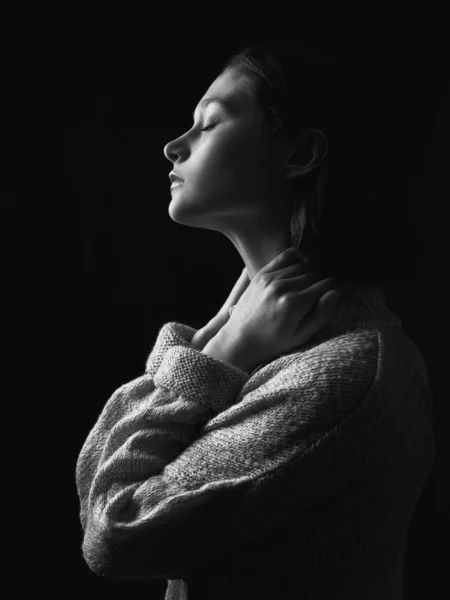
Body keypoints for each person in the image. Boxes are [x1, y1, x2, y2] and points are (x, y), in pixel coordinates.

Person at [75, 43, 435, 599]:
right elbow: (100, 485)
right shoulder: (260, 331)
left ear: (300, 154)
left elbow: (114, 531)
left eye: (208, 123)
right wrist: (213, 347)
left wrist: (215, 362)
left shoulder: (342, 370)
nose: (173, 146)